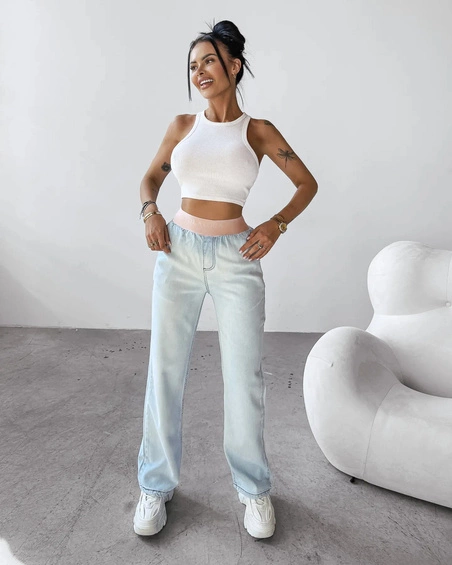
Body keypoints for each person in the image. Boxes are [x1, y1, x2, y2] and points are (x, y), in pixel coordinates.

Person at [133, 20, 318, 539]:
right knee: (165, 370)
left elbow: (306, 183)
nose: (200, 72)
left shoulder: (258, 132)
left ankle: (253, 489)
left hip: (237, 259)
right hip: (177, 253)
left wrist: (276, 224)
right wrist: (150, 212)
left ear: (234, 66)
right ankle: (155, 485)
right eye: (193, 66)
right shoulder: (181, 126)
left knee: (244, 377)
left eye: (209, 61)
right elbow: (149, 179)